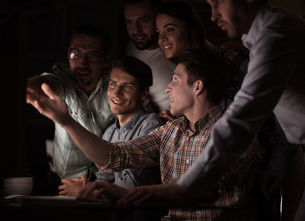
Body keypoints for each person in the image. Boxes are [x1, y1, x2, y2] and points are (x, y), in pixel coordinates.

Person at [27, 48, 266, 220]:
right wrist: (65, 120)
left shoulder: (237, 132)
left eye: (175, 79)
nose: (167, 88)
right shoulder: (172, 130)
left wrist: (126, 196)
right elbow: (114, 156)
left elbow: (200, 189)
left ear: (198, 87)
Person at [174, 0, 305, 220]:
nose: (213, 16)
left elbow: (244, 114)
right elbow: (287, 106)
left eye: (219, 1)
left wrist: (181, 189)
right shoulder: (259, 39)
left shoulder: (277, 34)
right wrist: (278, 164)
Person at [58, 56, 165, 197]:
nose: (116, 93)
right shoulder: (110, 132)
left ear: (143, 93)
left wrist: (87, 190)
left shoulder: (152, 125)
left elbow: (130, 187)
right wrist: (87, 186)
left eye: (127, 86)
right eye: (113, 84)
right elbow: (104, 179)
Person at [26, 25, 115, 182]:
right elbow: (45, 82)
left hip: (110, 180)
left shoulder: (116, 84)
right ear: (68, 55)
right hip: (67, 181)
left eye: (92, 56)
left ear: (106, 59)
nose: (83, 63)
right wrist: (27, 86)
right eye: (76, 54)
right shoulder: (63, 80)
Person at [123, 0, 176, 113]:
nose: (136, 30)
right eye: (129, 22)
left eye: (144, 21)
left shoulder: (176, 51)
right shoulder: (130, 48)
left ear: (158, 18)